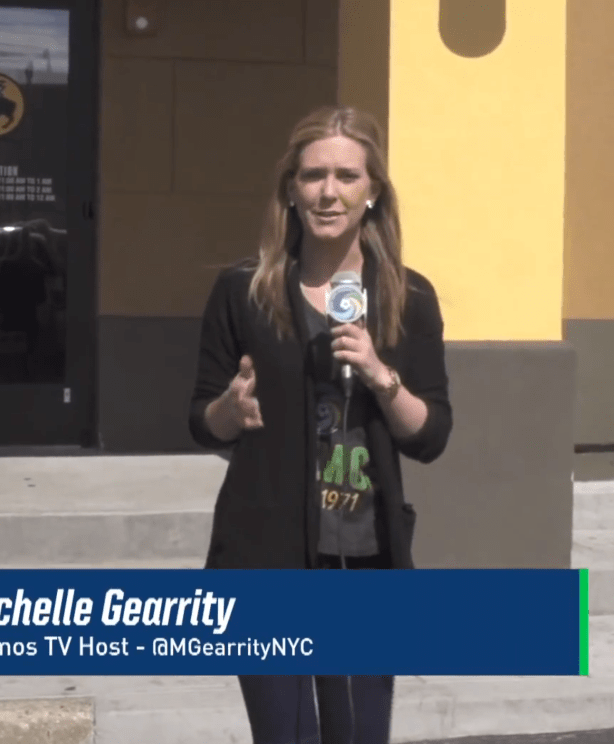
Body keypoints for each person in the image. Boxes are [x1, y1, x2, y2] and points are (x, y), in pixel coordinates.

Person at [188, 105, 453, 744]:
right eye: (312, 176)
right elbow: (201, 420)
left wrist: (380, 375)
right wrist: (229, 410)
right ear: (290, 189)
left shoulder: (409, 297)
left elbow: (431, 435)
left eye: (346, 176)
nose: (328, 192)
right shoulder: (243, 291)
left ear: (372, 191)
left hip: (365, 558)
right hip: (265, 557)